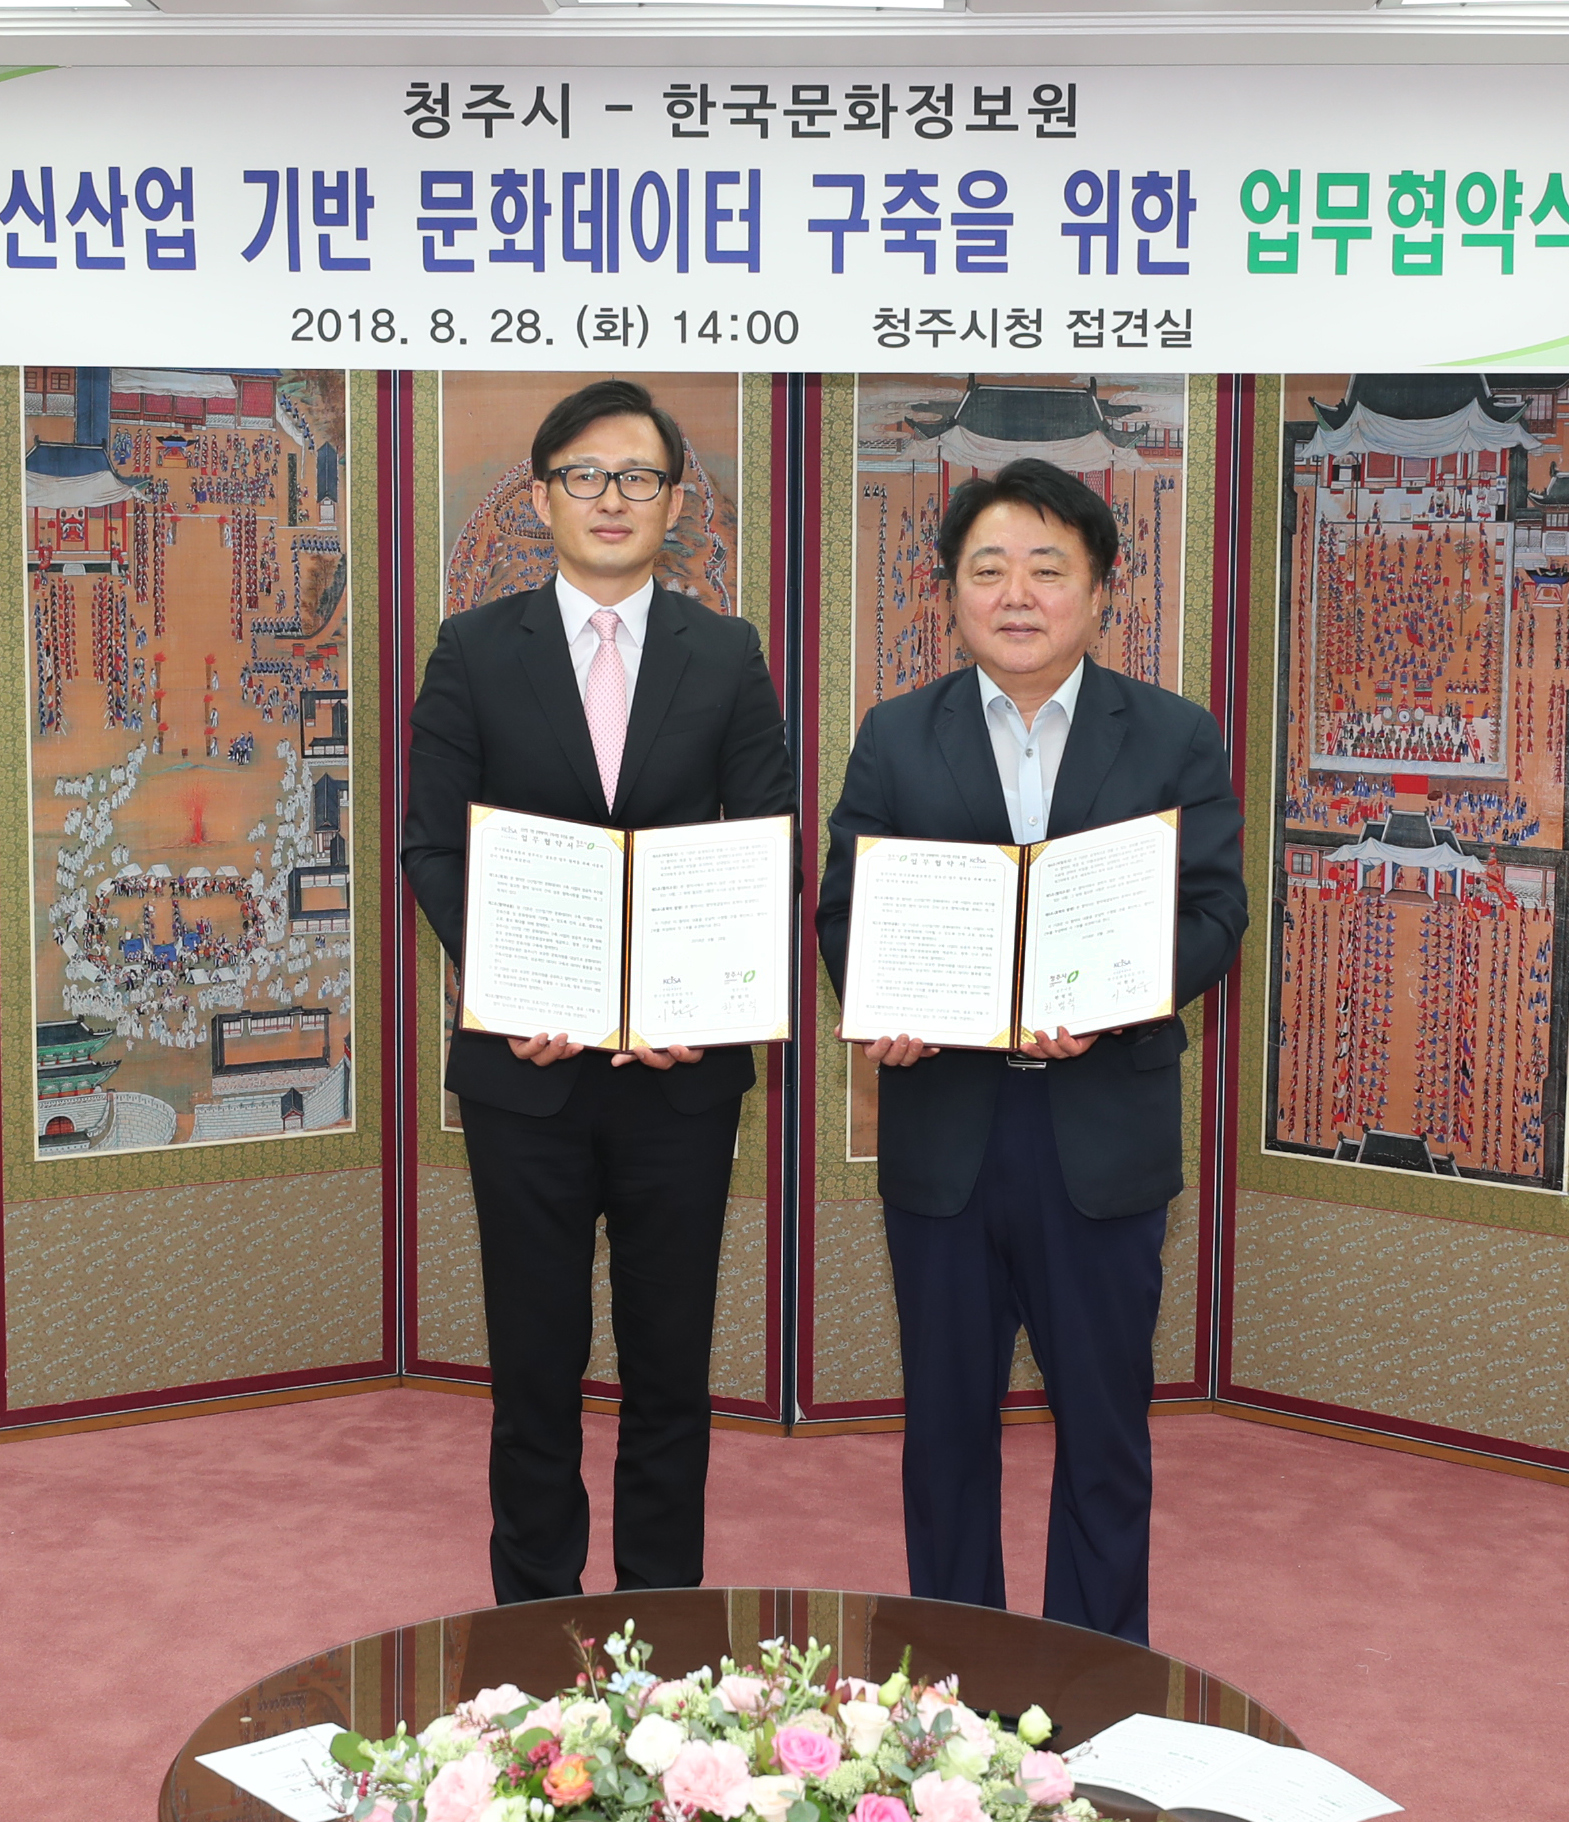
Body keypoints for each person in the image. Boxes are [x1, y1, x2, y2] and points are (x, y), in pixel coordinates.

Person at [816, 457, 1247, 1644]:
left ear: (1102, 589)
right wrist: (885, 999)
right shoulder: (899, 737)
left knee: (1103, 1435)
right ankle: (953, 1694)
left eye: (1048, 569)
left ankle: (1095, 1681)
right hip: (947, 1133)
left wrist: (1114, 997)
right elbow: (847, 910)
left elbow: (1214, 914)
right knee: (945, 1435)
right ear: (948, 591)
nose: (1018, 594)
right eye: (988, 568)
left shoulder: (1169, 735)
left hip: (1098, 1131)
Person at [401, 378, 793, 1603]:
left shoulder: (727, 653)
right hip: (529, 1073)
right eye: (584, 474)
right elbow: (432, 848)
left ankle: (663, 1625)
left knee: (671, 1367)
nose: (610, 498)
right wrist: (510, 992)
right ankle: (534, 1621)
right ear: (540, 496)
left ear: (676, 501)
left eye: (637, 477)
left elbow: (767, 841)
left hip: (682, 1079)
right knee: (534, 1368)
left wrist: (703, 1008)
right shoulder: (474, 649)